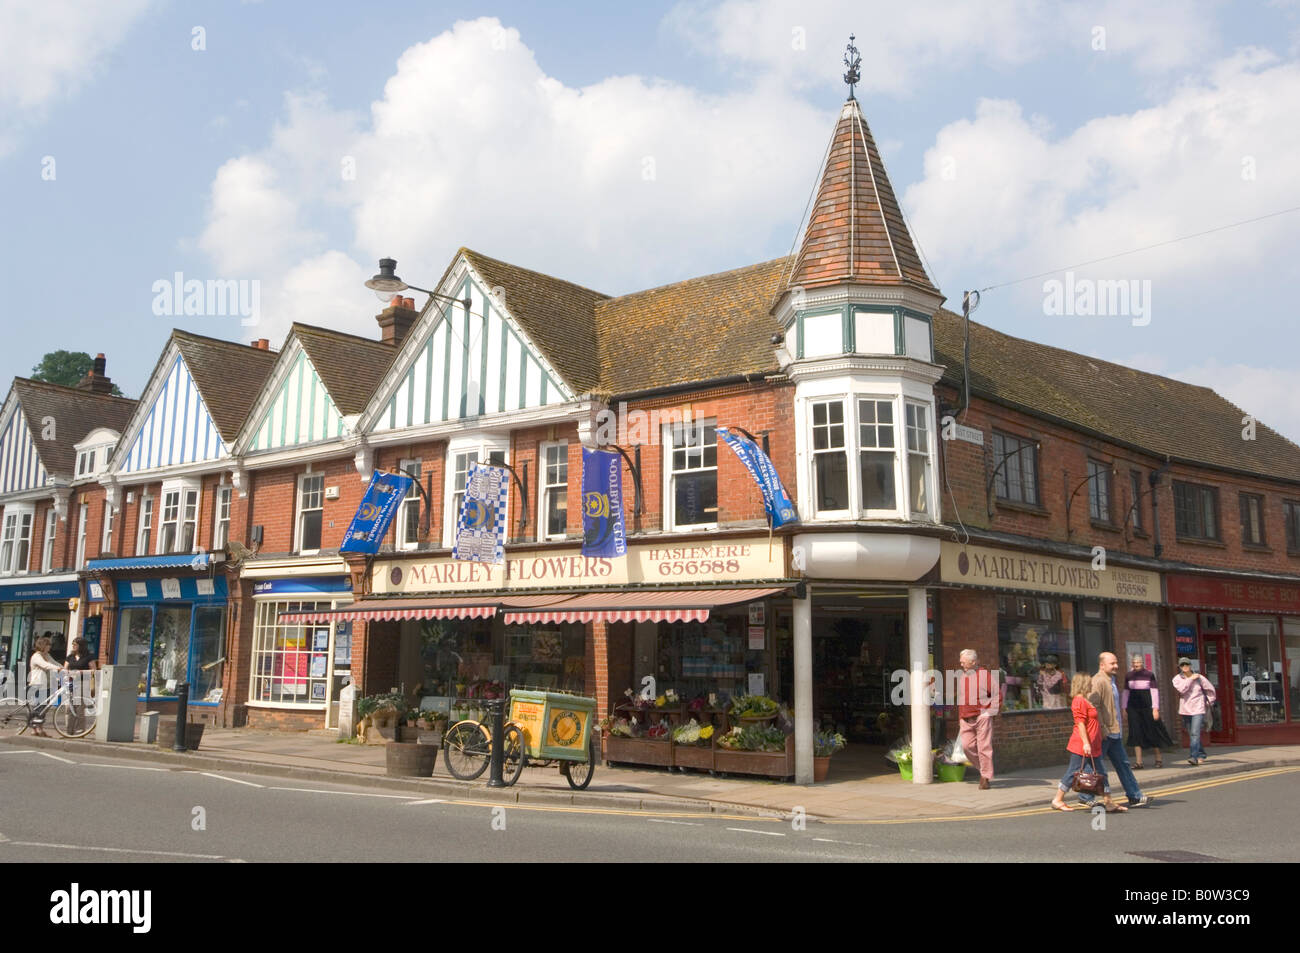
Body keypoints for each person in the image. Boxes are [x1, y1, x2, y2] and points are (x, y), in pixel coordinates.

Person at [1052, 671, 1126, 813]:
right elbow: (1080, 724)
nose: (1092, 684)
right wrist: (1086, 743)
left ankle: (1109, 802)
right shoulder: (1079, 700)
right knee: (1073, 772)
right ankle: (1057, 799)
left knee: (1101, 773)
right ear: (1083, 684)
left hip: (1093, 745)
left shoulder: (1086, 700)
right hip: (1082, 744)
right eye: (1089, 682)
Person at [1088, 652, 1151, 807]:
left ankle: (1134, 795)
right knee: (1095, 766)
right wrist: (1102, 728)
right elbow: (1093, 705)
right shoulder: (1098, 681)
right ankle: (1085, 796)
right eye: (1112, 663)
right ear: (1102, 665)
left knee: (1123, 763)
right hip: (1105, 732)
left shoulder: (1112, 680)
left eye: (1116, 662)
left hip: (1114, 731)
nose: (1116, 666)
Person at [955, 649, 999, 789]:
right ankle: (984, 770)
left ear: (973, 662)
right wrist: (960, 717)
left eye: (963, 661)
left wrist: (989, 712)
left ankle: (985, 777)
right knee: (967, 747)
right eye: (961, 661)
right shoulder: (962, 676)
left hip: (981, 716)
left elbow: (997, 694)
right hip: (966, 718)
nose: (961, 663)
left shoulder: (984, 675)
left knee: (984, 748)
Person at [1123, 655, 1173, 768]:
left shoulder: (1149, 674)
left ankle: (1158, 759)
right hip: (1133, 707)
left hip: (1147, 706)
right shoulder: (1129, 675)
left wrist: (1155, 708)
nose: (1136, 664)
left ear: (1142, 663)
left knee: (1152, 730)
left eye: (1139, 662)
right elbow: (1126, 692)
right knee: (1135, 732)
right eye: (1134, 662)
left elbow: (1154, 692)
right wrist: (1124, 708)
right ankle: (1139, 762)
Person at [1171, 657, 1216, 765]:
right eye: (1182, 665)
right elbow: (1182, 689)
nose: (1185, 666)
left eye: (1187, 664)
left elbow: (1211, 690)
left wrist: (1208, 702)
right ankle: (1201, 754)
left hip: (1198, 709)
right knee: (1192, 733)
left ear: (1190, 665)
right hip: (1185, 709)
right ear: (1180, 667)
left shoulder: (1200, 678)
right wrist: (1191, 679)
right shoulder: (1177, 679)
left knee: (1195, 733)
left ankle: (1193, 757)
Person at [27, 635, 62, 737]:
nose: (50, 647)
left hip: (46, 686)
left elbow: (55, 663)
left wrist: (65, 669)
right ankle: (35, 730)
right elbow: (45, 665)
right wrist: (59, 669)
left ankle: (40, 729)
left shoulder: (47, 655)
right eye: (48, 645)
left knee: (43, 709)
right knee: (38, 709)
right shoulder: (36, 656)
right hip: (37, 685)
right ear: (42, 645)